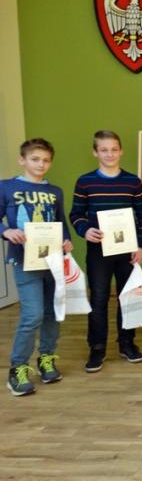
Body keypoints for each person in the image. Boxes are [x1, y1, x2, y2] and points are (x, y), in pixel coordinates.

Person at [69, 130, 142, 373]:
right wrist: (85, 230)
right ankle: (97, 348)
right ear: (95, 152)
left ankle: (127, 343)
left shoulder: (133, 181)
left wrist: (141, 245)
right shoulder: (85, 181)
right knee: (98, 299)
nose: (109, 154)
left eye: (114, 149)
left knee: (129, 297)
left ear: (121, 151)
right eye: (104, 150)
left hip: (128, 251)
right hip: (98, 251)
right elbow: (76, 214)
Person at [1, 138, 73, 396]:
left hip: (53, 261)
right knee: (33, 315)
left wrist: (67, 241)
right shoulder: (7, 187)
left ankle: (47, 359)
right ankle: (17, 369)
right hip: (25, 261)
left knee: (52, 313)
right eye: (35, 159)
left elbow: (60, 221)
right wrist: (6, 230)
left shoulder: (55, 191)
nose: (41, 164)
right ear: (22, 160)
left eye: (46, 160)